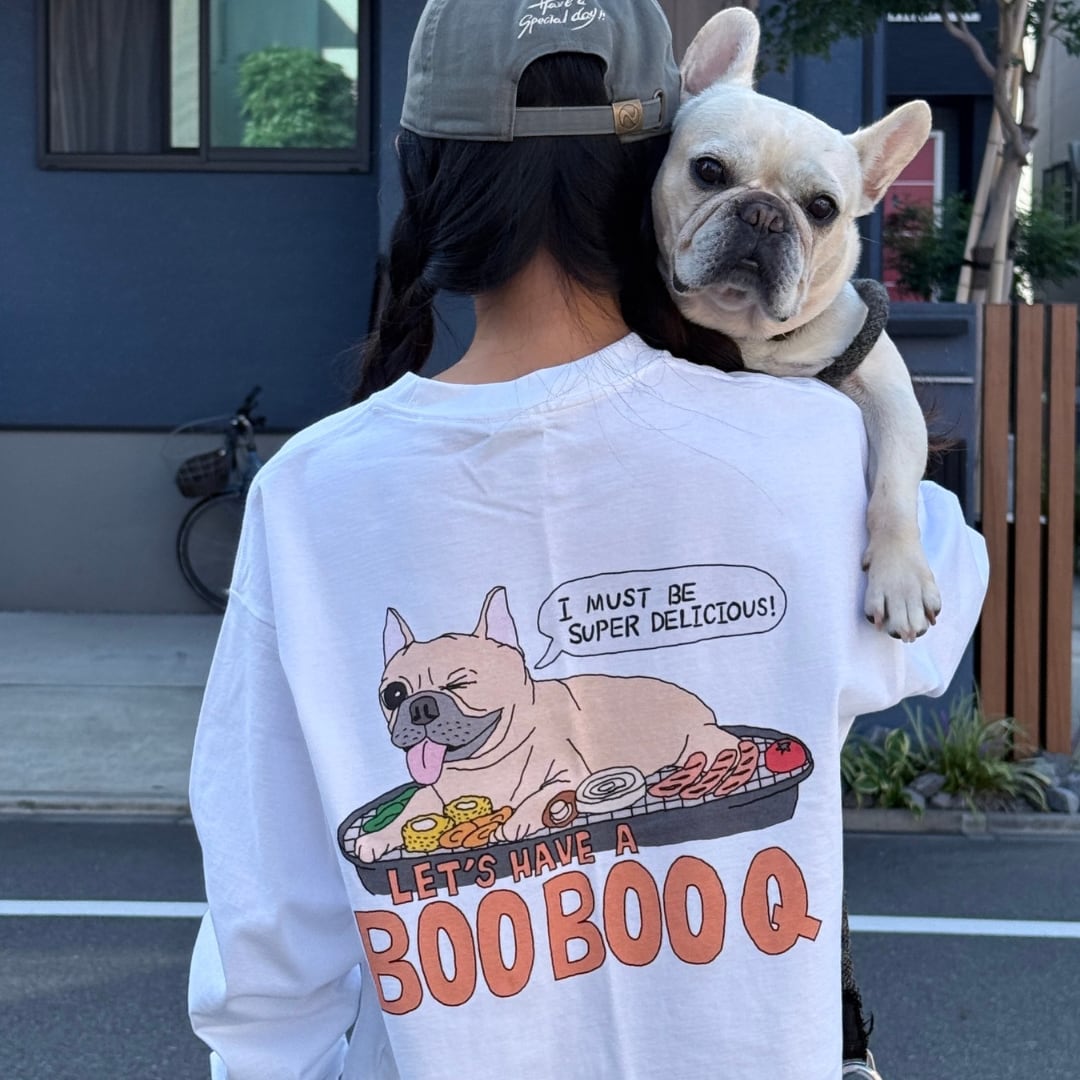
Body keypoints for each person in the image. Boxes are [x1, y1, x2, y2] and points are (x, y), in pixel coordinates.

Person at [187, 3, 989, 1078]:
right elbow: (936, 604)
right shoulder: (808, 447)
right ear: (650, 166)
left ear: (423, 169)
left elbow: (266, 931)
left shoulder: (308, 496)